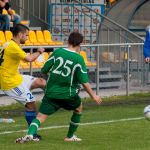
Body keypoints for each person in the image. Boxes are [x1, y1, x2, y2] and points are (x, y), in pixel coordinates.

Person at [15, 32, 102, 143]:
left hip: (51, 92)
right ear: (80, 44)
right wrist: (93, 95)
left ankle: (30, 134)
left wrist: (52, 77)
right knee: (78, 108)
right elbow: (84, 81)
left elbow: (44, 70)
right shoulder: (79, 59)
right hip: (68, 94)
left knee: (40, 117)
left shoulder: (58, 52)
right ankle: (69, 136)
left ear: (68, 41)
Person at [0, 24, 46, 140]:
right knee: (31, 104)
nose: (27, 38)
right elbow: (29, 59)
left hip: (16, 77)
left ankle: (51, 102)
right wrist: (40, 51)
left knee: (41, 82)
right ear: (20, 34)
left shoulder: (9, 44)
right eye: (26, 35)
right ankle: (33, 134)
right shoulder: (13, 46)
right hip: (10, 82)